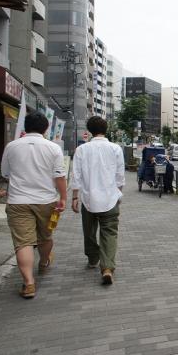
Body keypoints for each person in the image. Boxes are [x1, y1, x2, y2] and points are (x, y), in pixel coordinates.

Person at [1, 112, 67, 299]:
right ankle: (44, 261)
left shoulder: (11, 146)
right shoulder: (53, 148)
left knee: (23, 243)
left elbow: (5, 173)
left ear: (25, 127)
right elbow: (59, 176)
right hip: (46, 200)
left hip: (17, 201)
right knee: (45, 237)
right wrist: (63, 197)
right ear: (46, 128)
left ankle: (29, 283)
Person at [71, 116, 125, 285]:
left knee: (89, 230)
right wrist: (118, 194)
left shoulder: (82, 150)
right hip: (110, 198)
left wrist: (74, 197)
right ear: (106, 129)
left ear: (89, 131)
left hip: (88, 199)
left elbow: (76, 175)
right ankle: (107, 267)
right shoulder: (115, 149)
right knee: (109, 233)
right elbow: (120, 177)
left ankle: (93, 258)